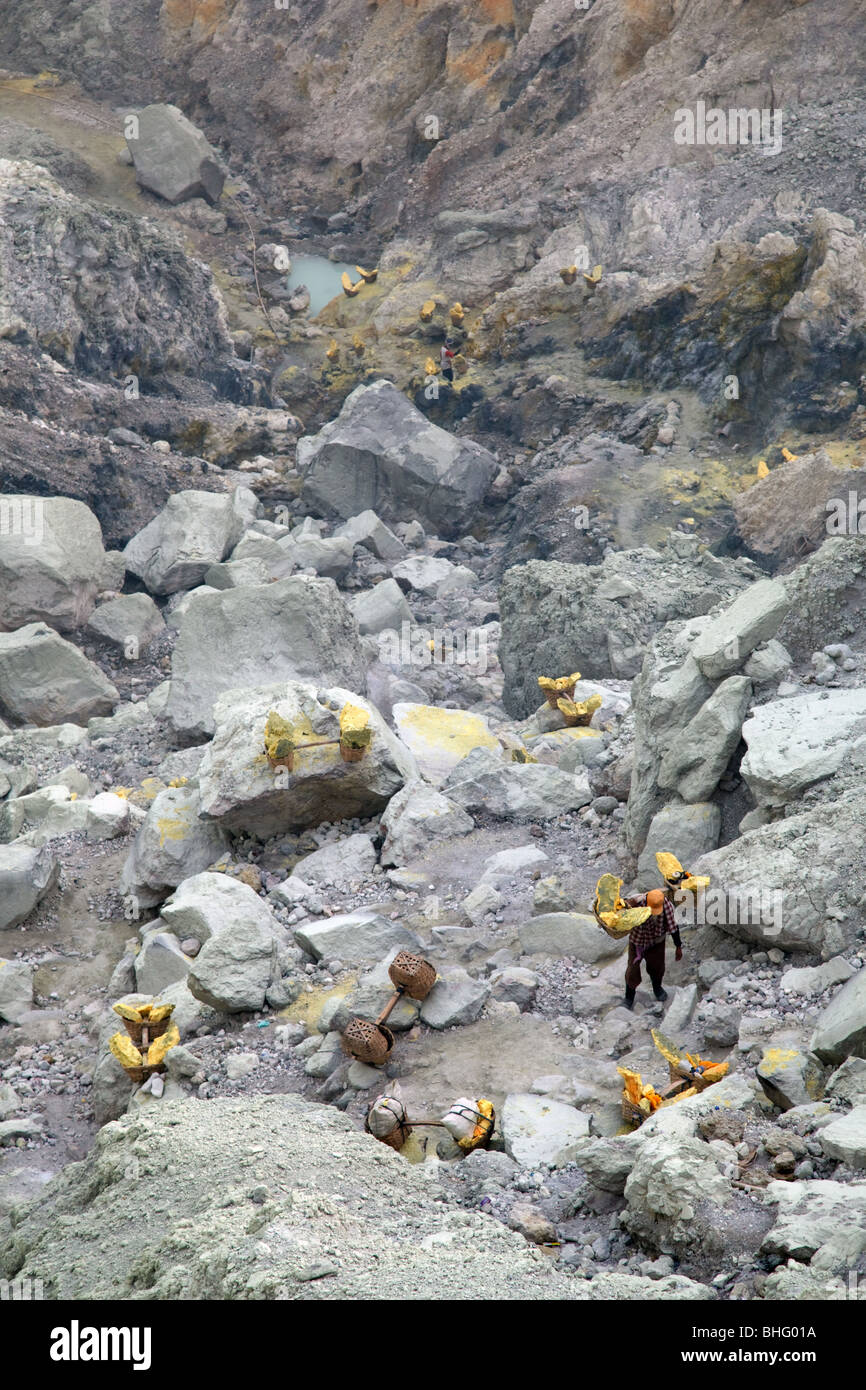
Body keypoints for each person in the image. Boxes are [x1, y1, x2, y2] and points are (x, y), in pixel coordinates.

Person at [622, 887, 683, 1010]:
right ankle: (629, 997)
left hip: (656, 942)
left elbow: (673, 927)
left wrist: (678, 946)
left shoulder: (667, 906)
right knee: (632, 970)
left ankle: (657, 989)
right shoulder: (637, 902)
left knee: (657, 968)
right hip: (637, 941)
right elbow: (621, 910)